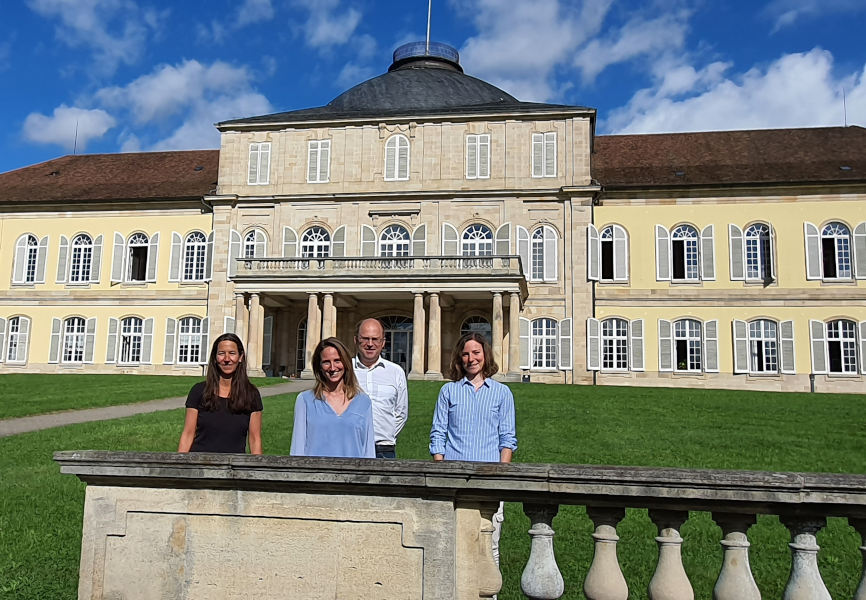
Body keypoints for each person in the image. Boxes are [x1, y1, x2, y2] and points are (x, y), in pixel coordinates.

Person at [429, 332, 517, 567]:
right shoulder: (449, 391)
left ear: (485, 356)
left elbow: (507, 438)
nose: (471, 358)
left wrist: (501, 472)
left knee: (490, 545)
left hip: (490, 476)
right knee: (455, 543)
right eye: (466, 354)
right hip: (455, 476)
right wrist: (441, 468)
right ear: (459, 358)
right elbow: (438, 433)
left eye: (476, 353)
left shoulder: (501, 393)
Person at [290, 337, 376, 458]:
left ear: (346, 363)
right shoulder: (305, 401)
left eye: (337, 361)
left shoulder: (363, 401)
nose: (332, 368)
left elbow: (369, 451)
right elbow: (297, 449)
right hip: (315, 475)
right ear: (319, 366)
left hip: (353, 475)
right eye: (326, 362)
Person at [178, 333, 263, 454]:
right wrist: (179, 465)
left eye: (232, 353)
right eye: (221, 353)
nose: (227, 359)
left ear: (240, 357)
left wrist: (257, 469)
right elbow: (188, 434)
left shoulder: (251, 394)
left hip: (234, 466)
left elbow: (255, 439)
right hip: (200, 464)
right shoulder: (198, 391)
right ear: (215, 357)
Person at [353, 318, 409, 458]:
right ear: (356, 340)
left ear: (383, 342)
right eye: (365, 339)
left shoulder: (396, 372)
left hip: (384, 449)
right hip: (352, 445)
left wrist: (386, 434)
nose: (370, 344)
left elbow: (401, 413)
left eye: (375, 339)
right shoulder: (346, 370)